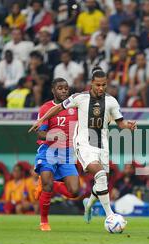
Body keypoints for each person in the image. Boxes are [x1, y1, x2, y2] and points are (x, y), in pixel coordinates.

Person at [29, 67, 137, 224]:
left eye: (104, 85)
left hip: (101, 144)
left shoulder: (111, 101)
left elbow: (120, 123)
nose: (101, 88)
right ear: (91, 84)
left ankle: (88, 205)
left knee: (97, 183)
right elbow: (58, 108)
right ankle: (110, 216)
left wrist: (129, 125)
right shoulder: (79, 98)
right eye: (98, 85)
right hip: (81, 145)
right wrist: (41, 120)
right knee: (99, 175)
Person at [33, 78, 80, 231]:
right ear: (53, 90)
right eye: (60, 88)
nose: (64, 91)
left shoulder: (75, 107)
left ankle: (55, 186)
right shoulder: (46, 108)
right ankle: (44, 221)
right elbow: (40, 134)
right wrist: (53, 136)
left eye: (66, 88)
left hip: (67, 153)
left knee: (74, 192)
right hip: (48, 151)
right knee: (47, 184)